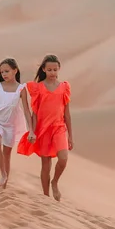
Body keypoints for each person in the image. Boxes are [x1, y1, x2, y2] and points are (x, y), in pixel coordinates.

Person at [17, 54, 73, 201]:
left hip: (59, 128)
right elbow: (34, 113)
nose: (53, 73)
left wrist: (71, 136)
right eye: (49, 70)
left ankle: (55, 182)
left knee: (63, 159)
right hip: (43, 129)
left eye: (55, 69)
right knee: (46, 164)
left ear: (59, 69)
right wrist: (32, 131)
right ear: (44, 69)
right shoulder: (38, 88)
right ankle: (46, 196)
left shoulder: (64, 87)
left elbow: (67, 113)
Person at [0, 58, 35, 188]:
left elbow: (26, 111)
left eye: (6, 71)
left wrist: (31, 130)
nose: (4, 74)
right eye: (2, 72)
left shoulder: (21, 89)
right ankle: (3, 174)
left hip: (11, 125)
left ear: (15, 70)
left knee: (7, 154)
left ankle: (4, 185)